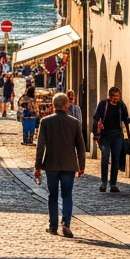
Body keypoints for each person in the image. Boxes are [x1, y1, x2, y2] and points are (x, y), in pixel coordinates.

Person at [34, 93, 86, 238]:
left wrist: (37, 166)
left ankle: (53, 225)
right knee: (67, 195)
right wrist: (81, 166)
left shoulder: (45, 121)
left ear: (53, 105)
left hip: (51, 164)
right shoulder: (74, 122)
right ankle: (66, 223)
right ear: (67, 106)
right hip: (69, 164)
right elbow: (80, 147)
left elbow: (40, 146)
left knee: (53, 196)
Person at [93, 86, 130, 193]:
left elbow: (125, 120)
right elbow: (96, 118)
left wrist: (129, 135)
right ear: (110, 96)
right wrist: (96, 133)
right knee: (105, 158)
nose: (115, 98)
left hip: (117, 135)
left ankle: (113, 183)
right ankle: (104, 182)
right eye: (113, 96)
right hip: (105, 135)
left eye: (117, 96)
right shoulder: (103, 104)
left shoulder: (121, 106)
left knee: (116, 160)